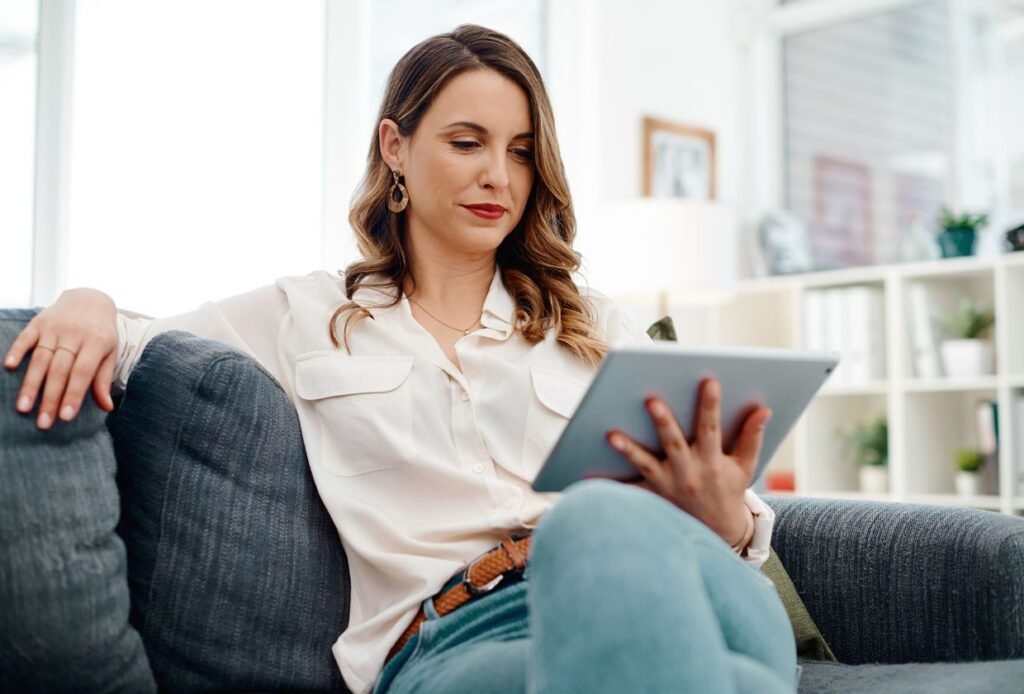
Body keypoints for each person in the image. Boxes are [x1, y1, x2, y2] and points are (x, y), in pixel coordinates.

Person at [4, 25, 796, 694]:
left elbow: (731, 532)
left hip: (686, 582)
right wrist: (85, 300)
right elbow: (138, 341)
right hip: (459, 637)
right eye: (466, 142)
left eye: (521, 152)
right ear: (396, 147)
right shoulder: (309, 315)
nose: (497, 175)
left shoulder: (593, 325)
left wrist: (724, 514)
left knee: (609, 531)